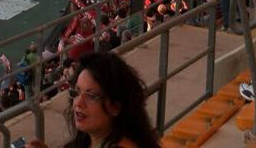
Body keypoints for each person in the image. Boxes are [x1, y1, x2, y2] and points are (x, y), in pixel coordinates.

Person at [28, 52, 161, 148]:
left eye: (92, 96)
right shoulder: (91, 139)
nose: (78, 103)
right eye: (77, 92)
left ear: (115, 107)